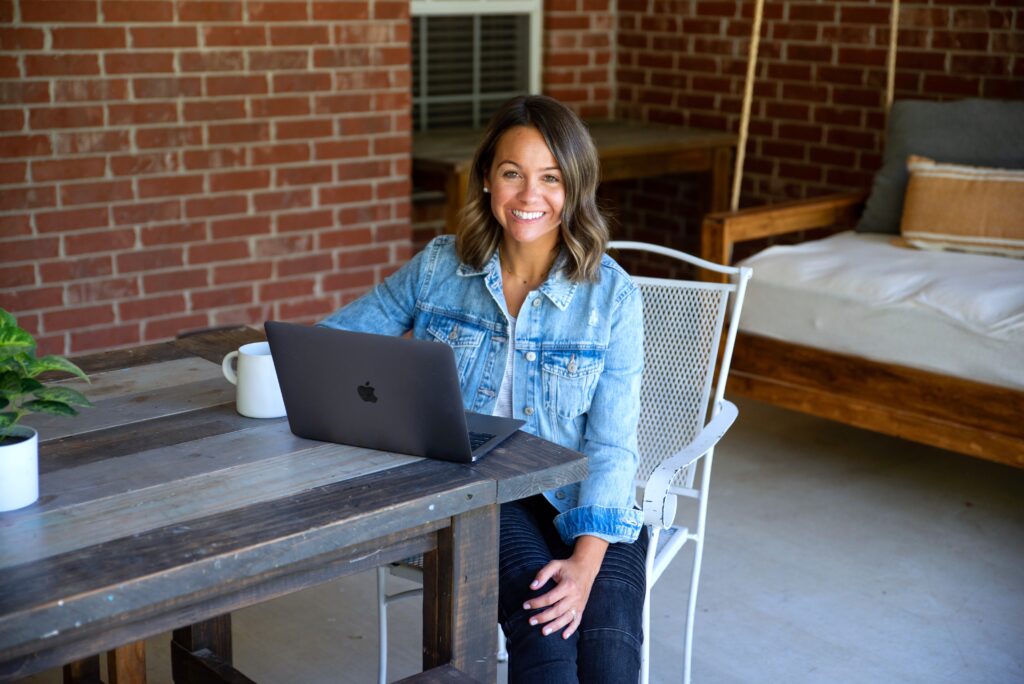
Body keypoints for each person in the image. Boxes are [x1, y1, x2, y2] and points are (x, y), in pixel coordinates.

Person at [319, 94, 647, 683]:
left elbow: (613, 444)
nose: (529, 196)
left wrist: (586, 562)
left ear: (575, 188)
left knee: (609, 648)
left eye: (551, 178)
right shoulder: (439, 268)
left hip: (586, 495)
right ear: (488, 181)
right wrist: (258, 362)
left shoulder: (612, 297)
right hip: (479, 490)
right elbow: (334, 343)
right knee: (547, 636)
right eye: (512, 173)